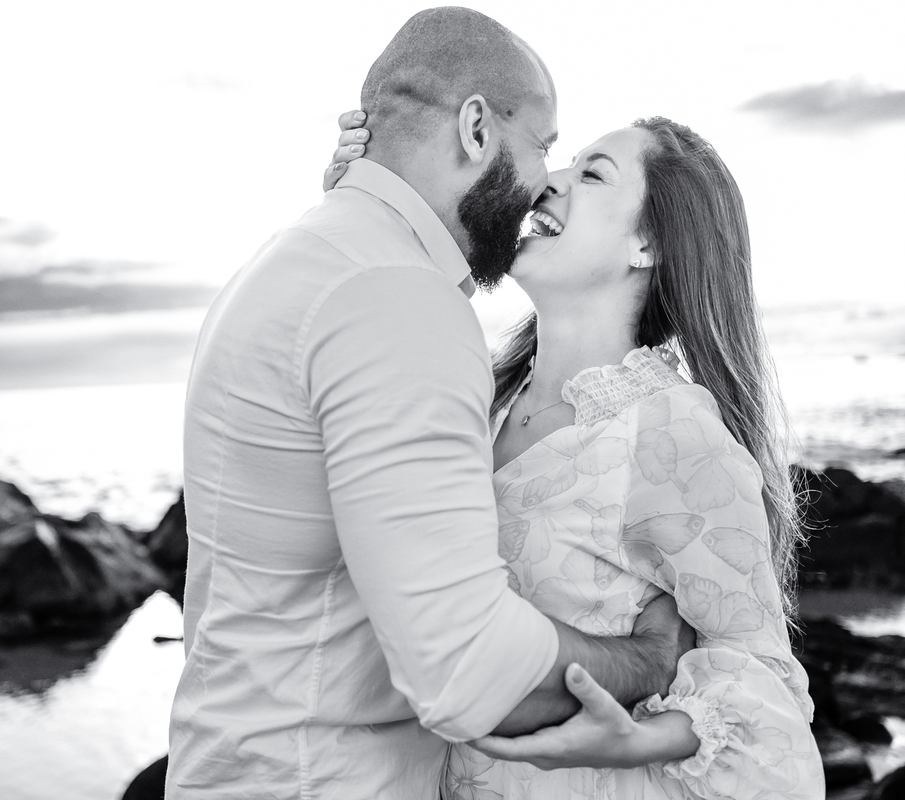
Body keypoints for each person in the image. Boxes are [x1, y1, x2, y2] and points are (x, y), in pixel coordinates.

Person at [167, 8, 696, 800]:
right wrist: (646, 661)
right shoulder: (393, 297)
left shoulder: (303, 257)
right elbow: (465, 669)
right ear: (477, 129)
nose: (542, 182)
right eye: (545, 147)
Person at [326, 112, 825, 797]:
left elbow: (764, 680)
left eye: (591, 174)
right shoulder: (475, 392)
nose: (547, 183)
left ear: (647, 241)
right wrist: (365, 201)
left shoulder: (671, 431)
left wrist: (640, 739)